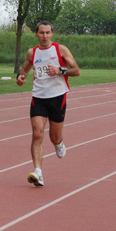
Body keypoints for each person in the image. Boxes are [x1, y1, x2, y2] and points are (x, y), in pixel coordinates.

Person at [16, 21, 80, 187]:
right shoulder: (32, 53)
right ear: (36, 34)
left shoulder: (60, 49)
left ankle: (59, 143)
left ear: (52, 34)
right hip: (38, 97)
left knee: (54, 136)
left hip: (58, 97)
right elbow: (25, 70)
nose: (44, 36)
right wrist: (21, 76)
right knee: (37, 134)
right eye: (41, 33)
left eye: (47, 33)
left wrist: (60, 70)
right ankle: (38, 172)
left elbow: (76, 71)